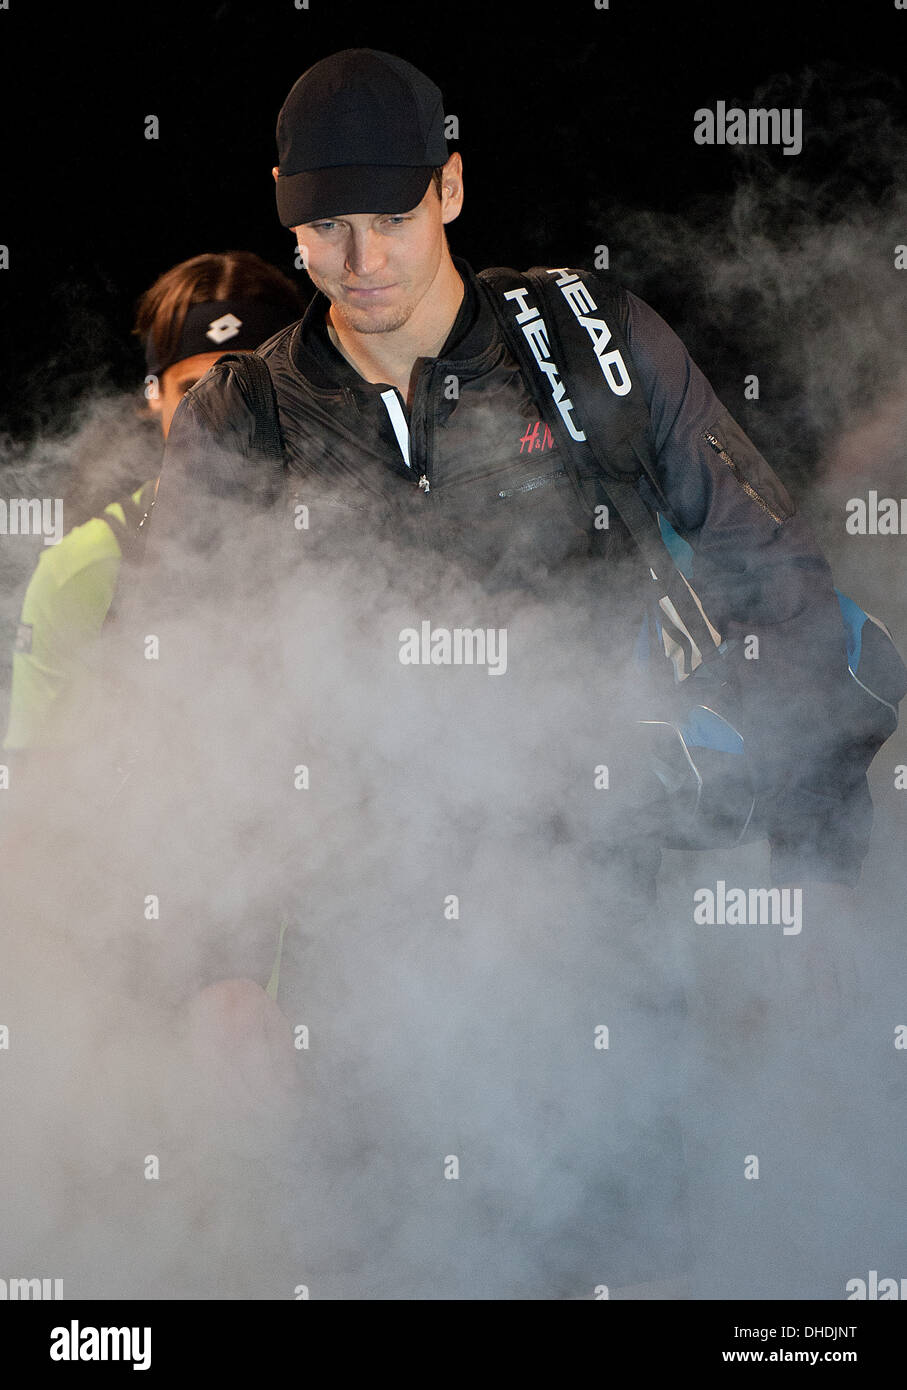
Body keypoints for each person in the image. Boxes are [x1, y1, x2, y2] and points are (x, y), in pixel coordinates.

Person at [133, 49, 894, 1298]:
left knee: (606, 1257)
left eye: (390, 216)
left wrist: (809, 869)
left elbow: (783, 596)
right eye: (325, 227)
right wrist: (216, 964)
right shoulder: (239, 418)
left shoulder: (592, 345)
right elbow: (180, 708)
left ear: (452, 187)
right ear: (285, 209)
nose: (362, 259)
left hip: (599, 930)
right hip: (353, 963)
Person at [2, 250, 303, 754]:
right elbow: (35, 785)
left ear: (294, 392)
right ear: (154, 395)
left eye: (246, 388)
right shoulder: (83, 566)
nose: (217, 411)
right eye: (193, 389)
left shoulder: (354, 537)